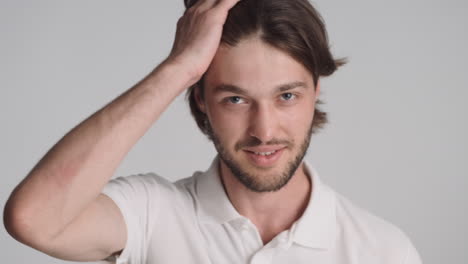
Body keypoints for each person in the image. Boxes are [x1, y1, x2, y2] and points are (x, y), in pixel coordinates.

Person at [3, 0, 423, 263]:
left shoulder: (383, 250)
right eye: (235, 99)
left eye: (287, 96)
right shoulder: (152, 213)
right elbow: (34, 220)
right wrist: (178, 68)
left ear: (316, 91)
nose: (264, 131)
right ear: (200, 99)